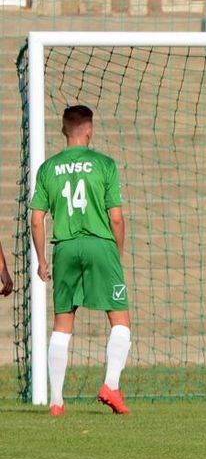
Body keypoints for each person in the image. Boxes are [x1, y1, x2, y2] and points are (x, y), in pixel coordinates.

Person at [29, 106, 132, 417]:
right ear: (89, 131)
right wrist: (117, 252)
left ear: (64, 131)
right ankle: (110, 385)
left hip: (66, 247)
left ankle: (57, 401)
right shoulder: (104, 164)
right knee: (120, 322)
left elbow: (36, 220)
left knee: (62, 326)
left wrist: (41, 260)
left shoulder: (48, 168)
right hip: (100, 245)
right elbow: (116, 217)